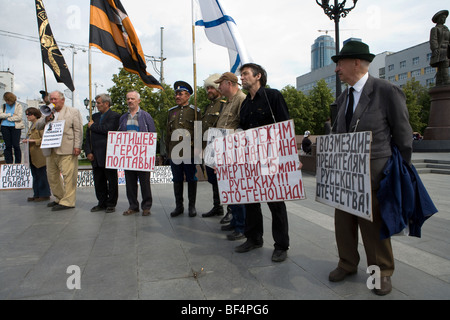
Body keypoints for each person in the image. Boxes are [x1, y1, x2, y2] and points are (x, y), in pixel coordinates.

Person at [329, 41, 413, 295]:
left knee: (373, 225)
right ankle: (347, 263)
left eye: (339, 64)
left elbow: (404, 135)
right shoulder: (343, 97)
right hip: (344, 171)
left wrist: (397, 169)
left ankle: (382, 272)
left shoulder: (386, 90)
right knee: (343, 221)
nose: (337, 70)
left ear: (356, 62)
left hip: (375, 171)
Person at [236, 63, 292, 262]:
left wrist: (291, 157)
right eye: (241, 75)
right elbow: (241, 130)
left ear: (258, 76)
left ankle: (281, 245)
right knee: (251, 200)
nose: (241, 78)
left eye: (245, 74)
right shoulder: (245, 103)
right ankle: (254, 238)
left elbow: (285, 125)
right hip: (250, 159)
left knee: (275, 202)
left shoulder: (273, 96)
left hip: (271, 158)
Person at [35, 90, 83, 211]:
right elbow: (37, 126)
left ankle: (68, 201)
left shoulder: (73, 112)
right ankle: (59, 197)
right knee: (52, 176)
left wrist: (77, 146)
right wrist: (46, 119)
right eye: (51, 99)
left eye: (55, 99)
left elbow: (78, 130)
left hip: (67, 148)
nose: (53, 102)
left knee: (68, 176)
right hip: (50, 149)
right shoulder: (46, 111)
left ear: (62, 100)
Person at [214, 71, 247, 241]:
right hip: (225, 150)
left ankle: (242, 226)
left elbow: (242, 126)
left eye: (221, 83)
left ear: (229, 83)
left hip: (235, 151)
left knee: (237, 189)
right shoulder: (228, 102)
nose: (218, 87)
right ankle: (235, 221)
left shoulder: (241, 99)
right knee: (229, 188)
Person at [118, 91, 156, 216]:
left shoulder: (146, 116)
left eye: (132, 99)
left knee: (145, 182)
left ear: (138, 101)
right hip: (129, 156)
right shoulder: (123, 118)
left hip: (143, 155)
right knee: (130, 183)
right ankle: (133, 206)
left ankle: (146, 207)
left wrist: (151, 153)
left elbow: (152, 134)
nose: (130, 101)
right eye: (128, 98)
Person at [166, 81, 201, 217]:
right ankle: (178, 206)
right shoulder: (171, 112)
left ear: (188, 96)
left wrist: (198, 149)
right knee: (177, 179)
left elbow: (199, 131)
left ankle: (191, 206)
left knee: (191, 178)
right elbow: (168, 133)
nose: (177, 96)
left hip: (190, 152)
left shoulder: (195, 111)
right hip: (174, 152)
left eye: (180, 94)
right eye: (176, 94)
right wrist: (168, 153)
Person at [84, 93, 121, 213]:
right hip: (95, 155)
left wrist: (93, 126)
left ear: (106, 103)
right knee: (99, 181)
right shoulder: (93, 117)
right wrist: (88, 151)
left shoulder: (115, 116)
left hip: (108, 153)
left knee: (111, 180)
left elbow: (108, 129)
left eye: (99, 103)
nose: (97, 105)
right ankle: (101, 202)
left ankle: (111, 203)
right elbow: (87, 136)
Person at [201, 74, 226, 219]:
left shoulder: (223, 104)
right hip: (209, 148)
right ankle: (217, 206)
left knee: (224, 180)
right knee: (213, 180)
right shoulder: (207, 107)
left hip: (221, 147)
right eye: (207, 88)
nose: (208, 90)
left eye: (211, 87)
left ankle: (230, 210)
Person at [22, 107, 51, 202]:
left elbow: (45, 138)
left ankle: (44, 194)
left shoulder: (40, 124)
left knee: (41, 174)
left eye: (29, 114)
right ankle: (37, 194)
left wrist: (33, 141)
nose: (27, 116)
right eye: (26, 114)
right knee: (35, 174)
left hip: (39, 154)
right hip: (32, 154)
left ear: (35, 114)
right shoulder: (31, 126)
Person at [1, 92, 25, 164]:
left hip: (15, 127)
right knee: (7, 145)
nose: (8, 102)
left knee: (16, 145)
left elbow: (19, 117)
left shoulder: (18, 106)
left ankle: (18, 162)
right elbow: (0, 115)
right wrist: (10, 114)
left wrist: (8, 118)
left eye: (9, 101)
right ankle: (9, 163)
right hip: (5, 126)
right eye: (6, 101)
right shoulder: (3, 106)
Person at [430, 10, 449, 86]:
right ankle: (447, 80)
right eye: (443, 18)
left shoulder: (447, 29)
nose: (444, 19)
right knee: (444, 64)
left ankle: (439, 82)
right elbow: (433, 40)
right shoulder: (435, 29)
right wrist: (435, 49)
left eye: (445, 18)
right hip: (440, 50)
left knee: (441, 67)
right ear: (439, 19)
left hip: (447, 50)